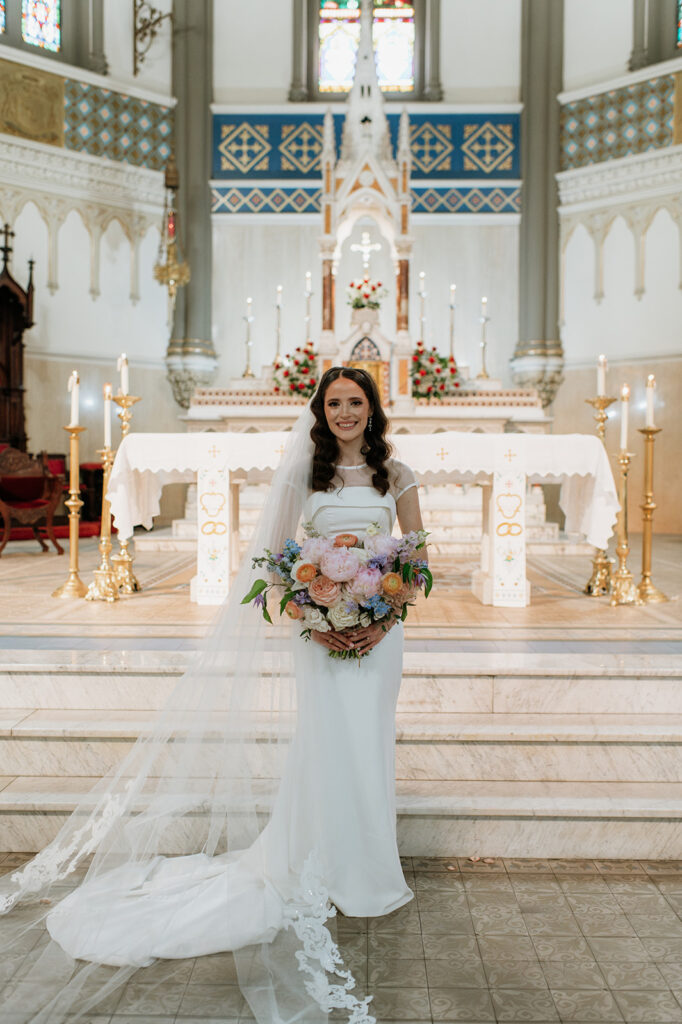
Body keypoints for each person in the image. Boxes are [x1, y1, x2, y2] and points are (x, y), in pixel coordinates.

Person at [0, 366, 426, 1024]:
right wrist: (317, 616)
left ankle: (368, 870)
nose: (345, 412)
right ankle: (318, 861)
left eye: (356, 402)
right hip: (319, 636)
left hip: (380, 636)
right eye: (335, 402)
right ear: (320, 411)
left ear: (373, 409)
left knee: (370, 747)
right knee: (324, 747)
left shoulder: (396, 476)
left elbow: (416, 562)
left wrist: (377, 618)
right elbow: (274, 562)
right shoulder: (301, 476)